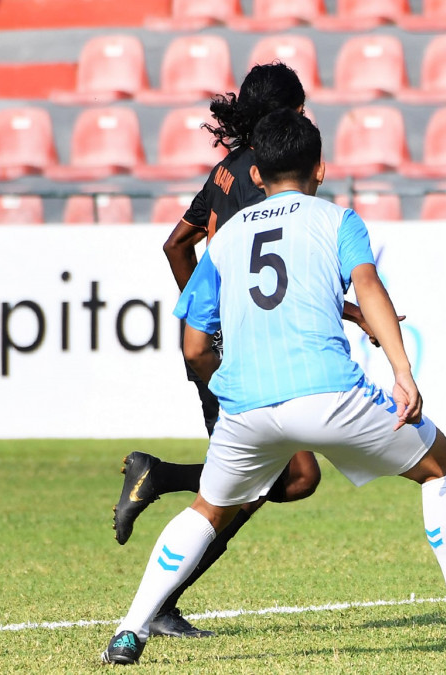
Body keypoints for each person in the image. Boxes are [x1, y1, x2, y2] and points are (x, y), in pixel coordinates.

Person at [100, 109, 446, 666]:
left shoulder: (226, 238)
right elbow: (368, 285)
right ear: (321, 169)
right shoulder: (337, 219)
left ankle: (129, 632)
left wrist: (229, 392)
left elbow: (194, 346)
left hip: (246, 407)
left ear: (258, 175)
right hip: (328, 394)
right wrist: (402, 372)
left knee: (208, 509)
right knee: (442, 465)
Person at [111, 62, 378, 639]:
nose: (305, 118)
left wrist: (208, 319)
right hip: (248, 354)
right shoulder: (269, 179)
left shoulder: (226, 171)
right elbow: (282, 276)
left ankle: (161, 511)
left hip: (221, 348)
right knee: (271, 483)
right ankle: (159, 580)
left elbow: (177, 245)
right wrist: (355, 312)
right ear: (286, 113)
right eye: (300, 109)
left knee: (287, 478)